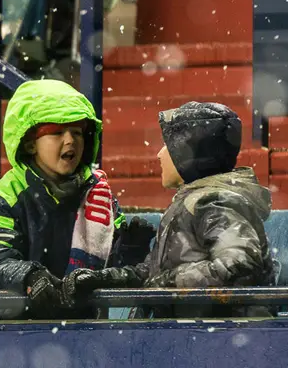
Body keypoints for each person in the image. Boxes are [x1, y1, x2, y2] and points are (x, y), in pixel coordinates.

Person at [63, 102, 275, 318]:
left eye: (168, 145)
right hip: (190, 337)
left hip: (219, 341)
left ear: (187, 154)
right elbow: (152, 274)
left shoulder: (214, 202)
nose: (159, 154)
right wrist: (106, 278)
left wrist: (167, 283)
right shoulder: (192, 201)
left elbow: (240, 265)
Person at [0, 79, 155, 319]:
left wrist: (130, 250)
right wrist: (31, 277)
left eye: (77, 132)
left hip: (86, 333)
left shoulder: (99, 194)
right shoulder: (1, 199)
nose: (70, 141)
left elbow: (112, 272)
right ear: (29, 144)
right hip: (13, 334)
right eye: (57, 132)